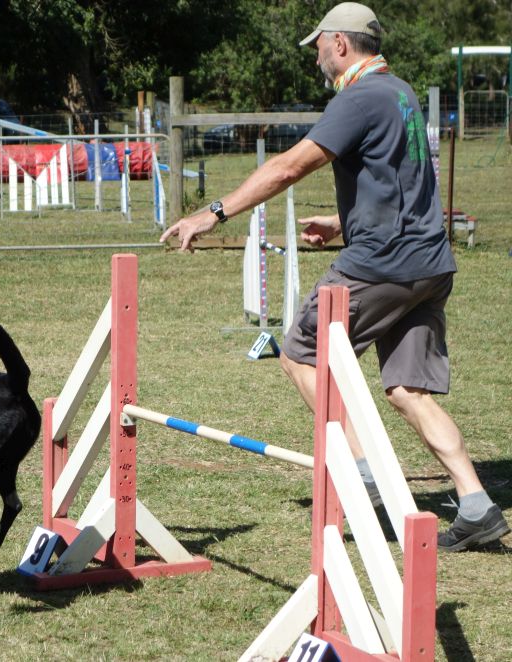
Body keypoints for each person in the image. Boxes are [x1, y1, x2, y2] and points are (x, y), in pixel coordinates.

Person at [160, 2, 509, 551]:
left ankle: (365, 473)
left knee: (300, 349)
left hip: (384, 262)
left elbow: (288, 167)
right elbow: (402, 183)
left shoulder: (358, 98)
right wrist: (343, 220)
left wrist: (213, 213)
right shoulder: (401, 92)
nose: (317, 56)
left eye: (319, 45)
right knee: (408, 390)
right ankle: (476, 504)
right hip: (429, 263)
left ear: (340, 45)